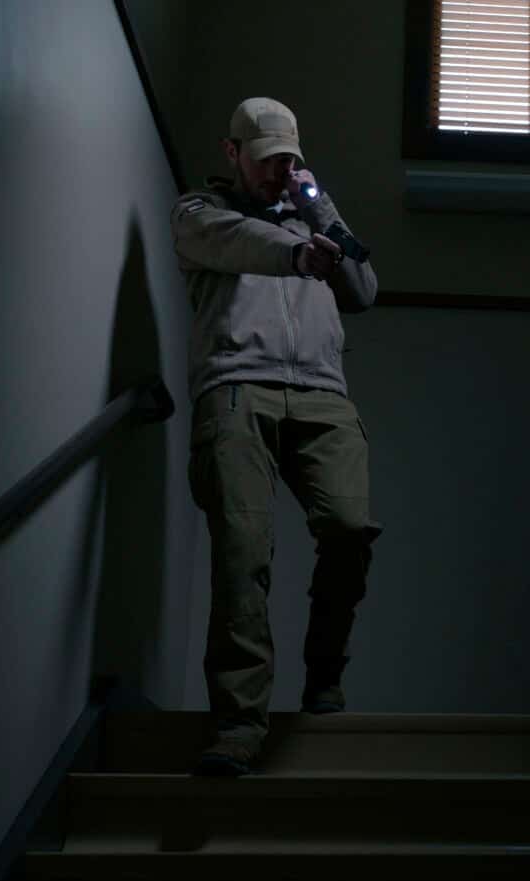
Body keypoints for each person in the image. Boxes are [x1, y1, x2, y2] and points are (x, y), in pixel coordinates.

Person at [170, 97, 380, 776]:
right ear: (233, 153)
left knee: (349, 528)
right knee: (242, 553)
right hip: (238, 389)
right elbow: (239, 244)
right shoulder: (200, 214)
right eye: (266, 162)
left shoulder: (309, 213)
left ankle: (324, 673)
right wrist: (297, 252)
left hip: (323, 393)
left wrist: (321, 213)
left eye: (289, 161)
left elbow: (364, 289)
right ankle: (237, 725)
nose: (278, 173)